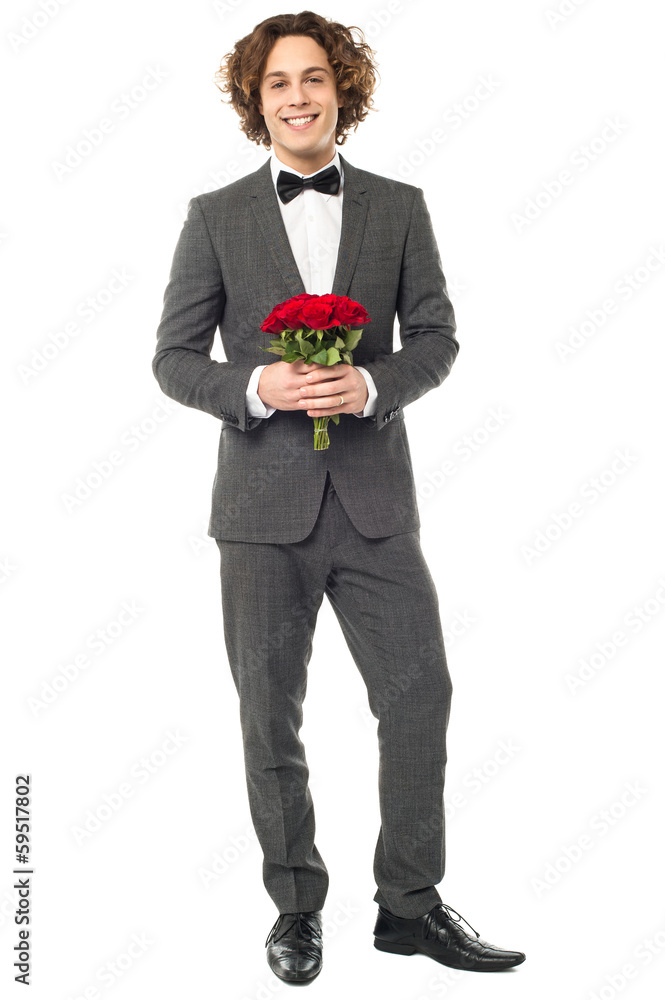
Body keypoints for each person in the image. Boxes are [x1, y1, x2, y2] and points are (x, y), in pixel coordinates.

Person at [152, 9, 525, 986]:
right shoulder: (214, 215)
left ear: (340, 89)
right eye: (278, 82)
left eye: (313, 77)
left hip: (374, 506)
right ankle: (294, 906)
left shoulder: (399, 206)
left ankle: (406, 905)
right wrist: (252, 387)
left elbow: (437, 337)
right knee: (268, 714)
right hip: (258, 514)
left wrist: (368, 385)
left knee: (418, 693)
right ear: (255, 98)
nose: (297, 96)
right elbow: (174, 360)